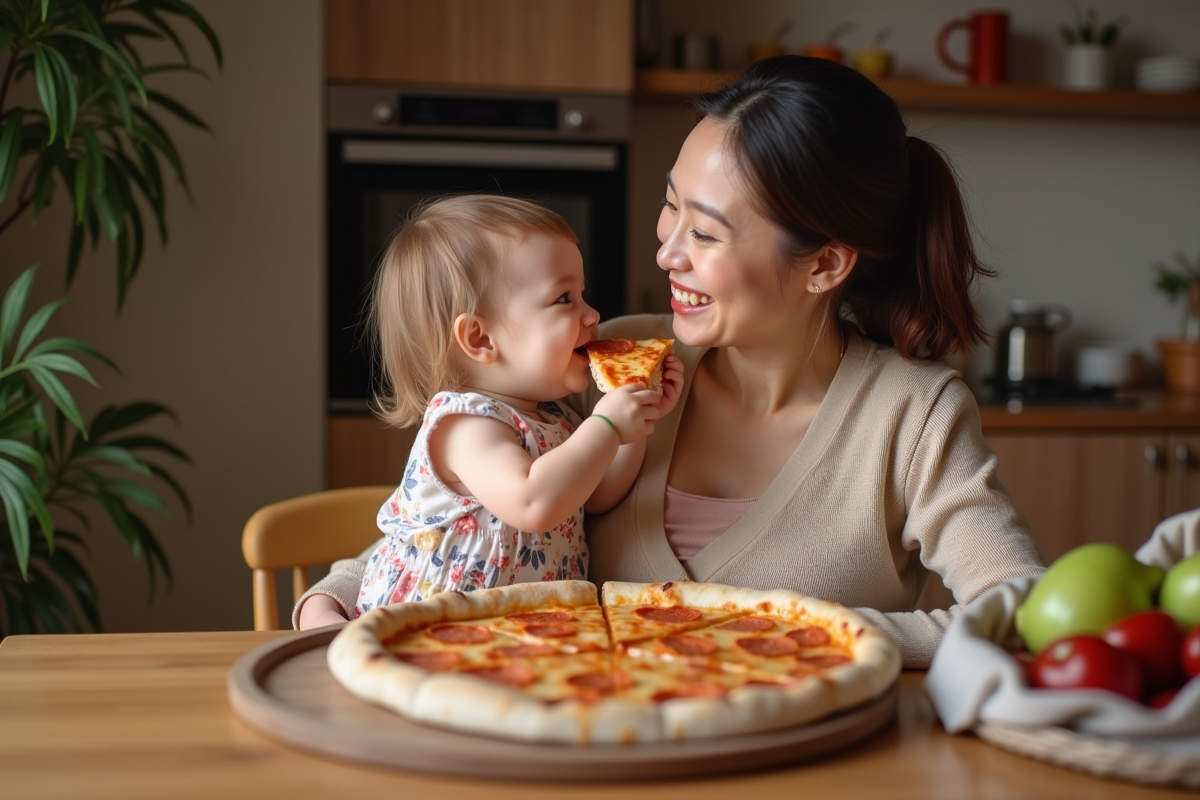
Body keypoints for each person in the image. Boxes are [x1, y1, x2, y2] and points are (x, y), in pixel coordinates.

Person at [297, 57, 1044, 667]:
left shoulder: (913, 416)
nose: (666, 251)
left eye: (707, 234)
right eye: (670, 205)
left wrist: (812, 635)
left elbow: (1022, 607)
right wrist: (332, 594)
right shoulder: (618, 358)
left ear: (824, 265)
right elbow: (466, 519)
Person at [328, 195, 683, 620]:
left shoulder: (558, 420)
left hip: (504, 636)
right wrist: (606, 424)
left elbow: (597, 494)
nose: (593, 315)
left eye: (582, 293)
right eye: (564, 299)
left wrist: (635, 427)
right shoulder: (465, 426)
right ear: (479, 339)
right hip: (420, 629)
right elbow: (533, 501)